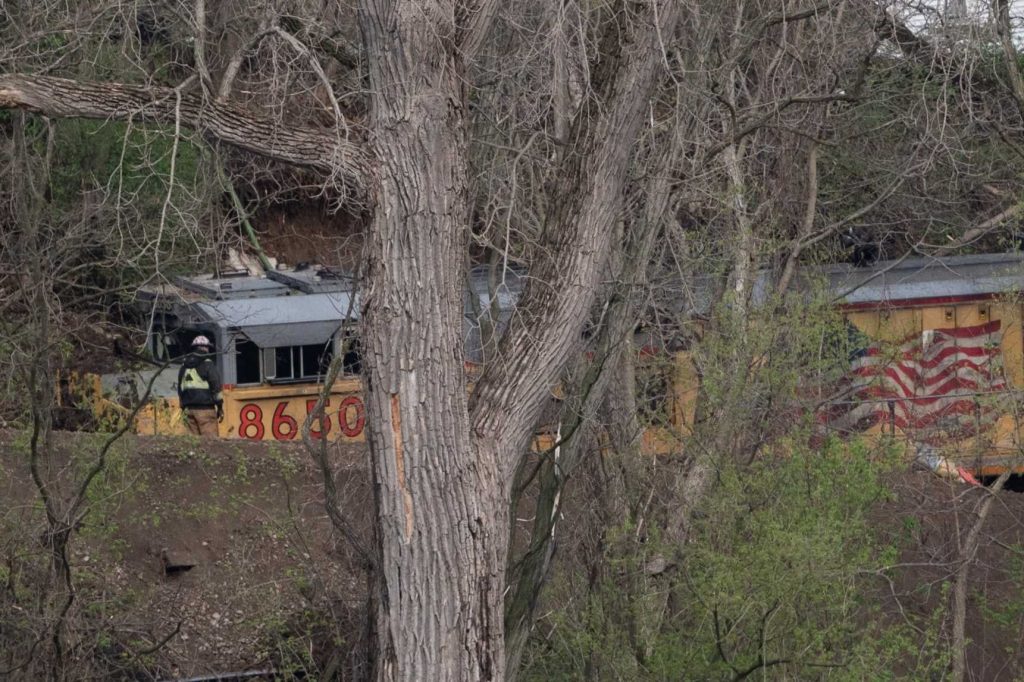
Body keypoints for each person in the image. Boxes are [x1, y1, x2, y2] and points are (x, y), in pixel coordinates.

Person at [177, 335, 224, 437]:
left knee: (194, 444)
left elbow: (180, 389)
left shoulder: (184, 365)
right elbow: (216, 386)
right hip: (205, 410)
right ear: (205, 348)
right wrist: (220, 407)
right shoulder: (207, 364)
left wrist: (183, 407)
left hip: (188, 410)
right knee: (210, 444)